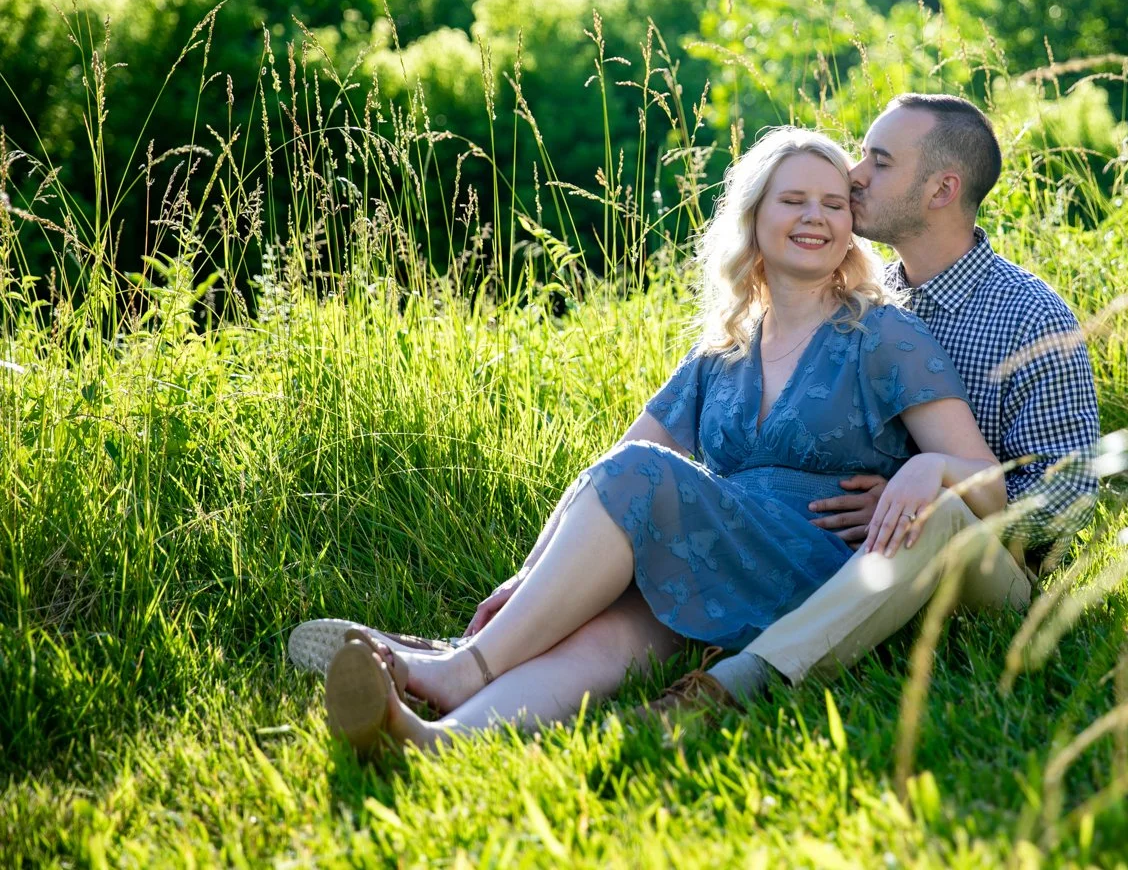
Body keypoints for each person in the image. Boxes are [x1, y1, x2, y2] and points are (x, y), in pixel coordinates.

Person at [319, 126, 1013, 755]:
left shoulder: (885, 334)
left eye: (835, 204)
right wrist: (531, 575)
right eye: (793, 200)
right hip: (719, 554)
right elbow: (608, 472)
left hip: (823, 569)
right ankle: (436, 741)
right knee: (610, 639)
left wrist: (929, 470)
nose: (816, 217)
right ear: (754, 219)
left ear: (851, 228)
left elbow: (990, 481)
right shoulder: (723, 348)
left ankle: (458, 667)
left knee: (644, 477)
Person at [630, 92, 1102, 716]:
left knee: (933, 513)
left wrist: (928, 484)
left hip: (994, 575)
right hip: (856, 554)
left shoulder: (1030, 315)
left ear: (940, 190)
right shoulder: (861, 302)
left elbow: (1066, 497)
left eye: (878, 161)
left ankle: (743, 681)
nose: (854, 176)